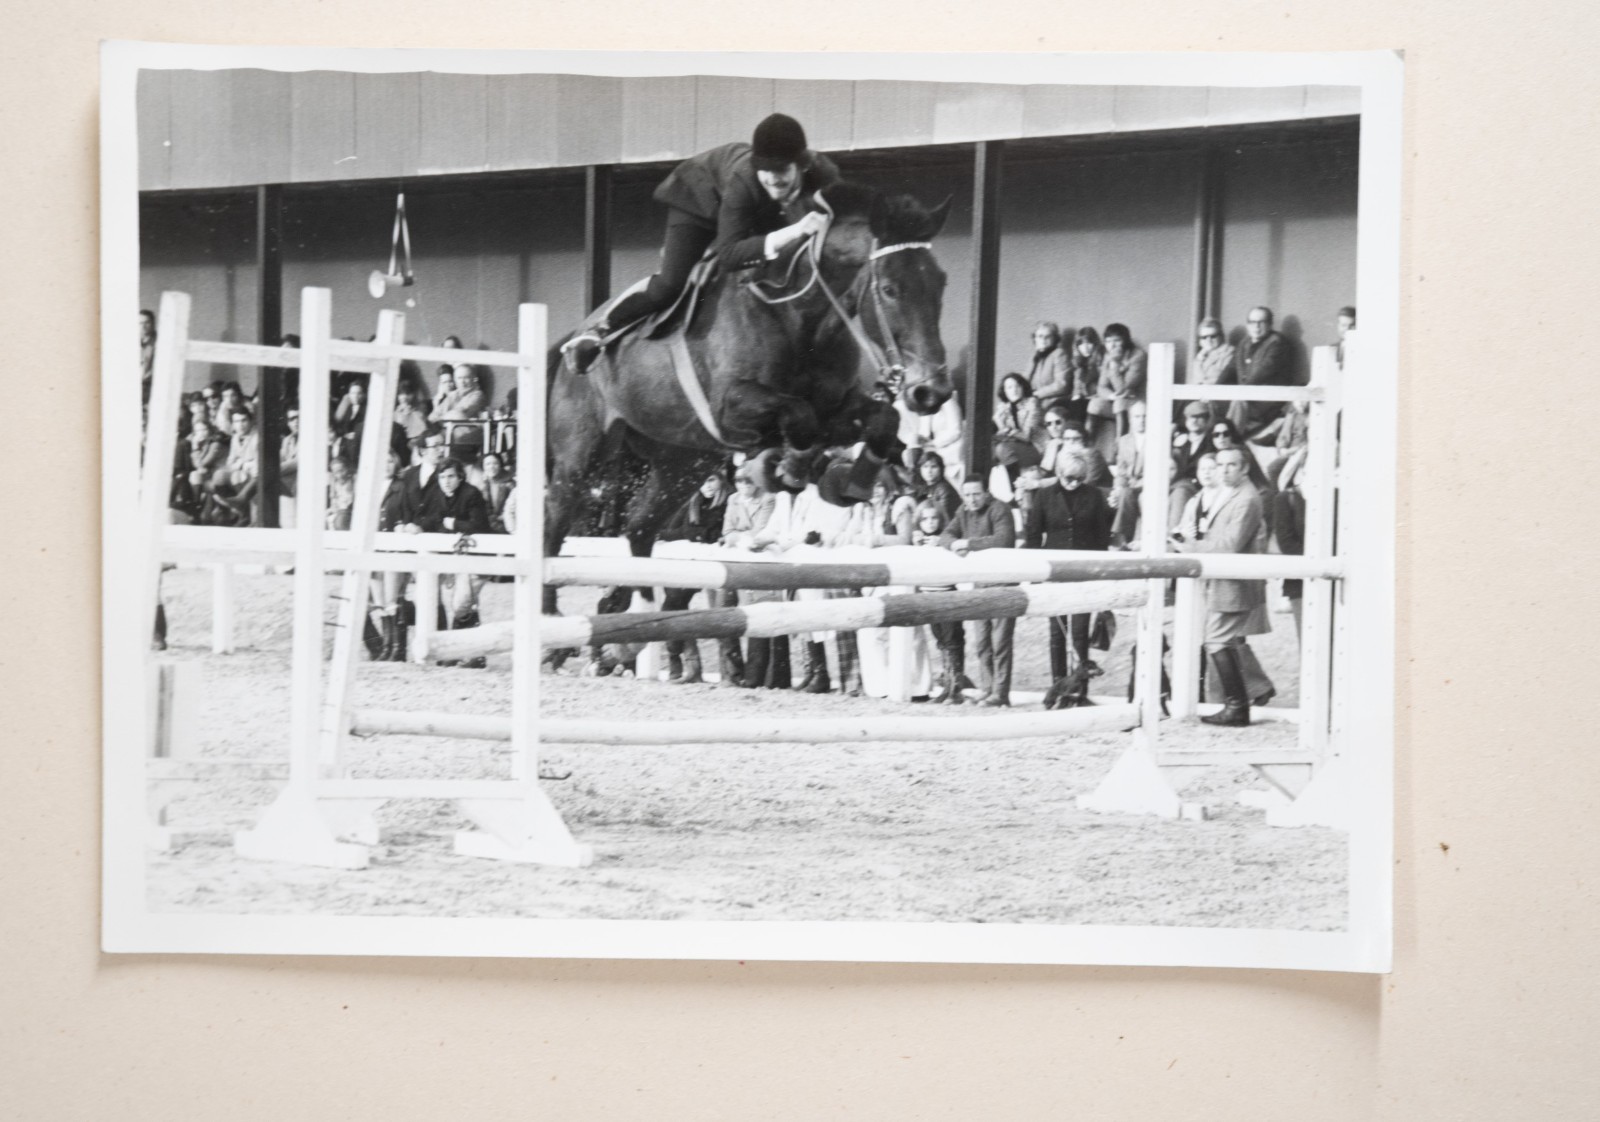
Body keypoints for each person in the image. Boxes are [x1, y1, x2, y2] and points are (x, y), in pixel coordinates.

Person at [562, 113, 841, 373]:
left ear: (802, 165)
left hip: (749, 215)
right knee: (671, 285)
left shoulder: (824, 175)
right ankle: (600, 328)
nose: (771, 178)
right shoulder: (745, 181)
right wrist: (795, 230)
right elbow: (730, 254)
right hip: (698, 202)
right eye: (764, 169)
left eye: (780, 169)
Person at [1170, 447, 1273, 726]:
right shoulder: (1228, 494)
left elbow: (1230, 545)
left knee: (1216, 640)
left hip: (1234, 582)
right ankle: (1240, 701)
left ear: (1244, 469)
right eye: (1221, 465)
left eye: (1232, 465)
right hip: (1222, 581)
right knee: (1221, 641)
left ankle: (1238, 706)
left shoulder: (1247, 499)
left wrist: (1188, 546)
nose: (1225, 470)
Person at [1025, 450, 1113, 686]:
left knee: (1080, 631)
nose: (1074, 484)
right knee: (1057, 631)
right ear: (1059, 474)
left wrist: (1100, 576)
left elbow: (1101, 537)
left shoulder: (1094, 496)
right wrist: (1034, 574)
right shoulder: (1044, 496)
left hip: (1084, 571)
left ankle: (1079, 688)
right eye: (1069, 478)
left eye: (1079, 479)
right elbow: (1033, 534)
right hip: (1053, 570)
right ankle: (1058, 684)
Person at [939, 477, 1017, 707]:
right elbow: (946, 535)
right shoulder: (963, 511)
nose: (972, 499)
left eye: (976, 494)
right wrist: (954, 544)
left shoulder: (1000, 509)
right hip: (980, 583)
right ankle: (987, 689)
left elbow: (1003, 539)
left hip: (1004, 583)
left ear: (986, 493)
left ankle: (1001, 693)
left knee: (1000, 642)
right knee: (982, 642)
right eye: (967, 495)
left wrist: (968, 544)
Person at [657, 471, 731, 685]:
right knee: (673, 604)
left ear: (720, 481)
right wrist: (691, 534)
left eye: (711, 479)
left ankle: (679, 660)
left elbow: (712, 534)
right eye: (702, 480)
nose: (706, 485)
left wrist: (691, 533)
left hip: (713, 566)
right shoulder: (692, 501)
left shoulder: (727, 501)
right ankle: (684, 662)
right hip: (685, 563)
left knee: (674, 604)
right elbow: (668, 532)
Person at [720, 461, 779, 688]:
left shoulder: (768, 498)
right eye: (739, 481)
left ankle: (754, 677)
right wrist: (739, 537)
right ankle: (733, 673)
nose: (743, 485)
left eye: (748, 480)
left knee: (756, 617)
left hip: (757, 562)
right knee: (725, 613)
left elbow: (758, 532)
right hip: (734, 560)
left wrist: (739, 536)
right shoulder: (733, 499)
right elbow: (726, 532)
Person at [912, 501, 966, 704]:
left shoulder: (945, 538)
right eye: (925, 519)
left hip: (947, 594)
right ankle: (947, 685)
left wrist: (942, 542)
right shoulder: (918, 542)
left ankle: (955, 687)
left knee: (953, 640)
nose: (930, 522)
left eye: (934, 518)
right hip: (928, 595)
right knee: (941, 641)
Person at [1232, 305, 1293, 442]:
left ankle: (1232, 441)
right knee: (1213, 403)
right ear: (1247, 325)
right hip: (1247, 398)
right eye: (1252, 322)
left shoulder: (1277, 343)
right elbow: (1230, 368)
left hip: (1267, 403)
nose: (1257, 327)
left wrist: (1240, 392)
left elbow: (1262, 372)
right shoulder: (1244, 343)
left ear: (1270, 324)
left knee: (1238, 402)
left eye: (1262, 322)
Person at [1091, 323, 1147, 445]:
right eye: (1108, 341)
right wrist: (1111, 396)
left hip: (1137, 402)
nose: (1112, 345)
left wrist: (1114, 364)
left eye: (1117, 340)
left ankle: (1120, 446)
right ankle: (1088, 446)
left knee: (1120, 402)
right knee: (1094, 404)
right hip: (1118, 400)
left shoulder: (1138, 356)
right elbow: (1101, 387)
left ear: (1125, 341)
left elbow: (1124, 388)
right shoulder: (1108, 356)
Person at [991, 372, 1045, 482]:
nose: (1014, 390)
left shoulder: (1032, 403)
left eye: (1017, 386)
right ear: (1004, 391)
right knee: (992, 445)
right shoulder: (1004, 407)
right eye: (1009, 387)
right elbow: (1003, 435)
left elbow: (1027, 436)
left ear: (1023, 387)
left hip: (1036, 446)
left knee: (1002, 449)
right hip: (1017, 446)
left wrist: (1007, 430)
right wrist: (998, 421)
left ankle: (1014, 484)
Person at [1108, 400, 1147, 546]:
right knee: (1120, 494)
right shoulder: (1124, 441)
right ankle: (1125, 540)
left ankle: (1120, 539)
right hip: (1130, 487)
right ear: (1131, 419)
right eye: (1137, 416)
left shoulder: (1157, 438)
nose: (1141, 420)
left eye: (1145, 416)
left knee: (1126, 494)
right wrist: (1117, 490)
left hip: (1148, 486)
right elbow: (1121, 472)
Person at [1025, 321, 1073, 416]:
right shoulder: (1034, 357)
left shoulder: (1059, 354)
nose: (1043, 340)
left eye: (1048, 336)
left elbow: (1062, 385)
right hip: (1034, 401)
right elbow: (1025, 379)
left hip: (1054, 401)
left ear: (1054, 339)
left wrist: (1036, 394)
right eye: (1040, 336)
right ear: (1035, 339)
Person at [1066, 326, 1104, 426]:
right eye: (1081, 344)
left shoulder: (1101, 359)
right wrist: (1076, 397)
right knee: (1066, 403)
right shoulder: (1078, 363)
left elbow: (1104, 385)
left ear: (1095, 343)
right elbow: (1077, 388)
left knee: (1078, 405)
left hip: (1098, 397)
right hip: (1083, 398)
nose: (1085, 347)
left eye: (1088, 343)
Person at [909, 450, 961, 521]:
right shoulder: (924, 487)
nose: (929, 471)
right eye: (925, 467)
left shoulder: (944, 489)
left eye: (933, 467)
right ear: (920, 469)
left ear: (941, 469)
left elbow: (943, 518)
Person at [476, 451, 515, 533]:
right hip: (486, 526)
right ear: (483, 467)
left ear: (500, 465)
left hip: (505, 526)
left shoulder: (509, 484)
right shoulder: (482, 485)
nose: (491, 467)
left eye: (495, 463)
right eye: (488, 464)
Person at [1190, 317, 1235, 386]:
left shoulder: (1229, 353)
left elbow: (1221, 380)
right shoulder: (1200, 356)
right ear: (1200, 341)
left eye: (1213, 336)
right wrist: (1199, 359)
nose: (1208, 340)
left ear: (1221, 336)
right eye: (1204, 337)